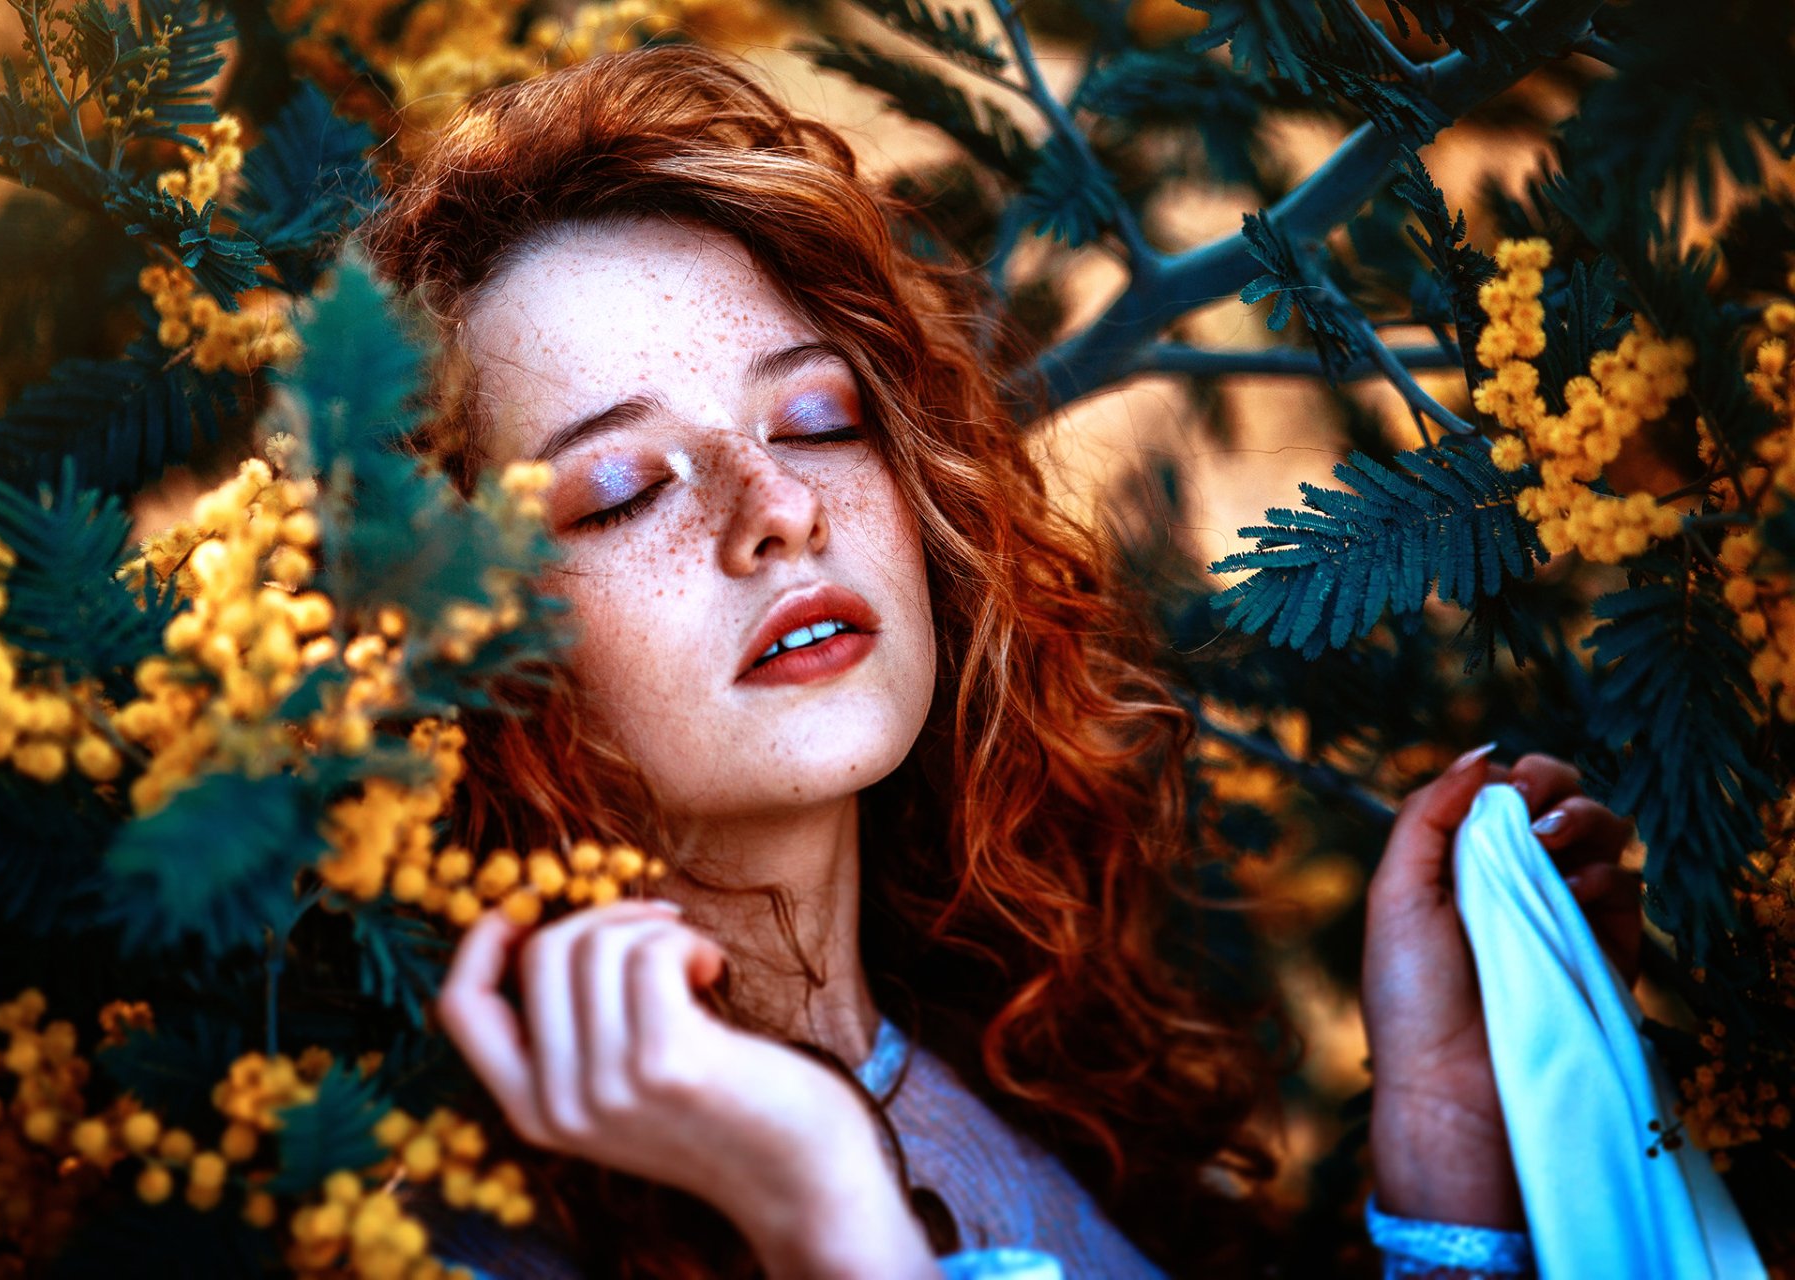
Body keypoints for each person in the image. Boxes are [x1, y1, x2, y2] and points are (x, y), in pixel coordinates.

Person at [360, 42, 1644, 1280]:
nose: (778, 506)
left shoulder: (1038, 1075)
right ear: (456, 651)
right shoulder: (443, 1243)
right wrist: (824, 1212)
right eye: (624, 490)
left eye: (817, 417)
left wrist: (1447, 1153)